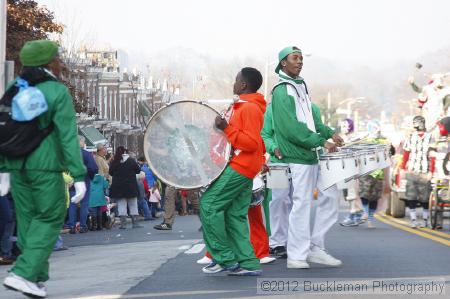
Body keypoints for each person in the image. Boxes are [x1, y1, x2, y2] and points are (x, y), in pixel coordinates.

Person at [0, 40, 87, 298]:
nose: (60, 62)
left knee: (28, 222)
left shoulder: (13, 88)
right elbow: (68, 137)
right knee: (50, 217)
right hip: (46, 168)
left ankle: (35, 279)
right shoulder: (56, 91)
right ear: (50, 62)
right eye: (57, 58)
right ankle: (23, 274)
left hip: (17, 168)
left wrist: (3, 169)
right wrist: (79, 174)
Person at [270, 46, 344, 269]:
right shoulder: (282, 91)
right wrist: (321, 141)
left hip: (310, 154)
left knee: (330, 195)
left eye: (301, 58)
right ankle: (295, 254)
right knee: (287, 202)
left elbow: (313, 123)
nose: (300, 61)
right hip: (292, 157)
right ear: (283, 62)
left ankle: (316, 247)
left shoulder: (300, 86)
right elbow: (291, 128)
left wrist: (330, 134)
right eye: (295, 58)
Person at [200, 67, 266, 276]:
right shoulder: (245, 107)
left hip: (241, 165)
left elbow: (251, 143)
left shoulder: (249, 109)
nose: (234, 83)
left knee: (209, 204)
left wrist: (226, 128)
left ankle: (225, 258)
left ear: (243, 85)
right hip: (244, 166)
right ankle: (248, 263)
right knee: (234, 214)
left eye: (236, 80)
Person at [400, 116, 434, 228]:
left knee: (425, 197)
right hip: (412, 171)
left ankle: (425, 220)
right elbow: (406, 154)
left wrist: (431, 172)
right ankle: (413, 220)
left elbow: (433, 156)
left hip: (425, 172)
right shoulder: (410, 138)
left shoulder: (430, 137)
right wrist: (402, 168)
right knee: (411, 196)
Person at [358, 121, 392, 229]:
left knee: (374, 198)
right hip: (366, 172)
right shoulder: (363, 140)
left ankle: (370, 219)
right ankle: (365, 212)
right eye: (374, 128)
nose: (377, 130)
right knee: (364, 194)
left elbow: (389, 156)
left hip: (379, 173)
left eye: (378, 127)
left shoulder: (384, 141)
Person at [67, 136, 98, 233]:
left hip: (71, 180)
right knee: (84, 203)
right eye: (83, 141)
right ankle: (82, 226)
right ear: (80, 142)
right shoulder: (86, 154)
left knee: (73, 203)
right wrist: (90, 176)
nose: (84, 143)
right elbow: (93, 168)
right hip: (84, 180)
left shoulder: (69, 154)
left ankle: (71, 226)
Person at [339, 118, 366, 227]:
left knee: (352, 193)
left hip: (353, 170)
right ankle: (356, 214)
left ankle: (354, 215)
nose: (344, 128)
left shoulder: (355, 138)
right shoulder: (341, 138)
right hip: (344, 170)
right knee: (348, 194)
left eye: (345, 126)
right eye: (342, 126)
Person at [109, 146, 141, 229]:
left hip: (119, 187)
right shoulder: (131, 160)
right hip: (131, 186)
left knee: (121, 205)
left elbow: (110, 172)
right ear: (126, 152)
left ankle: (123, 224)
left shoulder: (115, 161)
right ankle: (135, 223)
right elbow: (138, 170)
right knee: (133, 204)